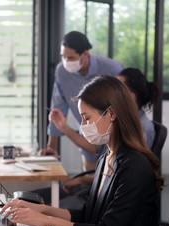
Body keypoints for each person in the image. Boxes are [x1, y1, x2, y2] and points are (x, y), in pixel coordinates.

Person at [1, 75, 167, 226]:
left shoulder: (134, 166)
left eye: (87, 118)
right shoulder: (107, 155)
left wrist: (46, 221)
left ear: (111, 114)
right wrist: (40, 209)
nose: (83, 126)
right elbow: (88, 215)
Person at [54, 67, 159, 200]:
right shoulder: (108, 152)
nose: (112, 93)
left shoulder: (141, 137)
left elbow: (122, 178)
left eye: (118, 88)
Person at [40, 31, 123, 171]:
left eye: (71, 57)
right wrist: (51, 147)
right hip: (88, 145)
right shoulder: (62, 72)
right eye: (63, 57)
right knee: (89, 187)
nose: (66, 62)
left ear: (85, 54)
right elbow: (57, 109)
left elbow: (125, 106)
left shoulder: (111, 68)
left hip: (116, 146)